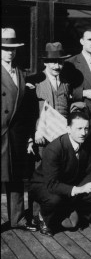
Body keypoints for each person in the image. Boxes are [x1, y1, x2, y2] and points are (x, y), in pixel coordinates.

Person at [30, 112, 91, 236]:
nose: (83, 133)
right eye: (79, 128)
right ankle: (42, 217)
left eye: (86, 128)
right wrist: (77, 190)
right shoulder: (54, 148)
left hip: (70, 184)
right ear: (68, 129)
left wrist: (82, 188)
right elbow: (51, 184)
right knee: (54, 200)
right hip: (44, 185)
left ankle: (72, 211)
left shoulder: (87, 144)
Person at [1, 28, 38, 231]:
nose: (9, 52)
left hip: (15, 134)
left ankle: (18, 219)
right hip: (1, 131)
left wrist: (28, 137)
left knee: (14, 177)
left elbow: (23, 108)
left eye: (12, 49)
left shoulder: (21, 73)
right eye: (5, 48)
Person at [27, 42, 72, 155]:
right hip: (42, 139)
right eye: (53, 62)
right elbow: (27, 114)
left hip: (62, 139)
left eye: (60, 62)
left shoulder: (66, 83)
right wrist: (33, 134)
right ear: (45, 62)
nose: (57, 66)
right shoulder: (35, 81)